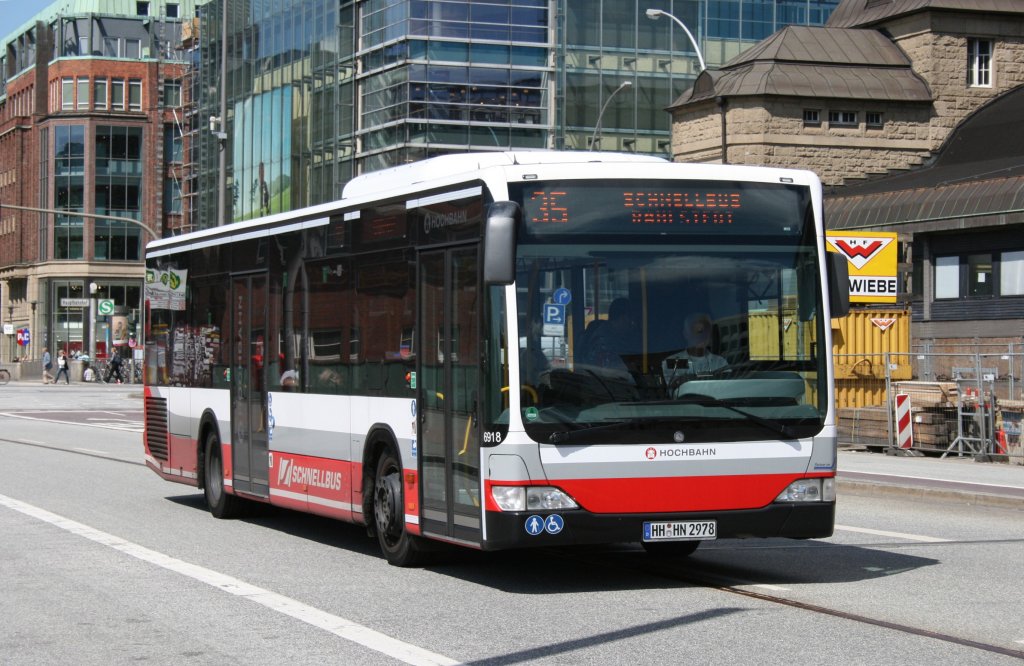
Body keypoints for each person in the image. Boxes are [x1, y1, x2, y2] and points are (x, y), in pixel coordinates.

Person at [663, 313, 728, 394]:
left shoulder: (720, 363)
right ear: (686, 334)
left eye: (705, 333)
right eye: (697, 332)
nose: (701, 337)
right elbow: (672, 393)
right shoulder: (670, 363)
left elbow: (726, 391)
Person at [576, 298, 639, 375]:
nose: (632, 324)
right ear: (622, 318)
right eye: (630, 319)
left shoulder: (611, 335)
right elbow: (608, 371)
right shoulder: (603, 340)